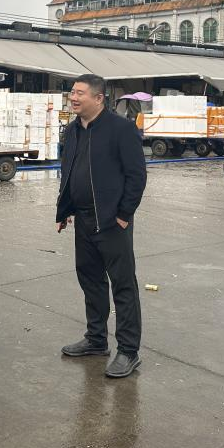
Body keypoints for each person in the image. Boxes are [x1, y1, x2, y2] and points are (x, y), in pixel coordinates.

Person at [55, 74, 147, 379]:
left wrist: (124, 214)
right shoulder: (73, 130)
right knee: (90, 281)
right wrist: (64, 209)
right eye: (72, 92)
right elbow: (68, 171)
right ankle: (96, 340)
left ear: (98, 98)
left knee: (123, 285)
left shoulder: (121, 129)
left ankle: (129, 351)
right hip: (83, 219)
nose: (73, 97)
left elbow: (137, 175)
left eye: (80, 93)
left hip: (111, 222)